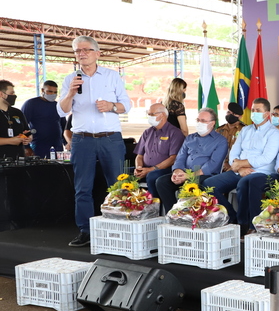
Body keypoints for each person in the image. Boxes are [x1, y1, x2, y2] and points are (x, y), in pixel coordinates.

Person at [58, 36, 131, 247]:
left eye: (86, 50)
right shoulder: (70, 79)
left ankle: (120, 227)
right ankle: (85, 231)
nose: (81, 53)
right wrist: (71, 92)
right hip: (82, 140)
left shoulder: (111, 76)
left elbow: (126, 104)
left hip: (110, 138)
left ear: (97, 53)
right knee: (83, 187)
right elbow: (62, 110)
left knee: (118, 185)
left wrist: (112, 106)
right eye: (77, 51)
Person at [202, 98, 279, 233]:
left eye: (258, 110)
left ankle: (248, 225)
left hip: (261, 172)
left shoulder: (273, 133)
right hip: (239, 171)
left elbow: (267, 158)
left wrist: (241, 164)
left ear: (267, 113)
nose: (254, 113)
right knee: (208, 184)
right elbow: (235, 151)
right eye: (253, 110)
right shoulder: (246, 130)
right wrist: (239, 167)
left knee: (246, 183)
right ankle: (232, 216)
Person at [155, 108, 228, 214]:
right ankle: (174, 213)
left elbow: (212, 165)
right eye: (198, 120)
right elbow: (180, 157)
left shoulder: (220, 141)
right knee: (162, 182)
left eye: (203, 121)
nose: (199, 123)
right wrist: (177, 171)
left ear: (212, 123)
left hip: (204, 175)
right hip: (185, 173)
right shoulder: (190, 138)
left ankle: (194, 215)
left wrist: (189, 176)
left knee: (195, 184)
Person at [133, 103, 185, 198]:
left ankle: (154, 206)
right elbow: (139, 155)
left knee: (152, 175)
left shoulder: (175, 133)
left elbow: (173, 158)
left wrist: (150, 170)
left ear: (163, 115)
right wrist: (139, 168)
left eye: (152, 114)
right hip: (145, 167)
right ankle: (132, 207)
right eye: (148, 114)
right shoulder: (147, 132)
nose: (149, 117)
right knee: (124, 174)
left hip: (164, 169)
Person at [21, 80, 64, 158]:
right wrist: (26, 147)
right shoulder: (31, 104)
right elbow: (22, 126)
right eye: (50, 91)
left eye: (55, 92)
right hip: (38, 145)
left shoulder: (58, 105)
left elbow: (63, 125)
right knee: (39, 169)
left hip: (57, 146)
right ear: (42, 90)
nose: (52, 94)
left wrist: (66, 143)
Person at [0, 80, 31, 159]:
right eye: (11, 93)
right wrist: (10, 141)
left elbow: (27, 131)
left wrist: (28, 138)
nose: (14, 96)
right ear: (1, 94)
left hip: (18, 157)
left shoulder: (17, 112)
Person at [217, 102, 245, 172]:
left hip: (237, 166)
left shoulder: (244, 130)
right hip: (219, 165)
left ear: (240, 116)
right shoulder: (219, 130)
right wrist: (224, 163)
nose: (230, 115)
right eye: (229, 112)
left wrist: (231, 164)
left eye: (234, 114)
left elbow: (245, 151)